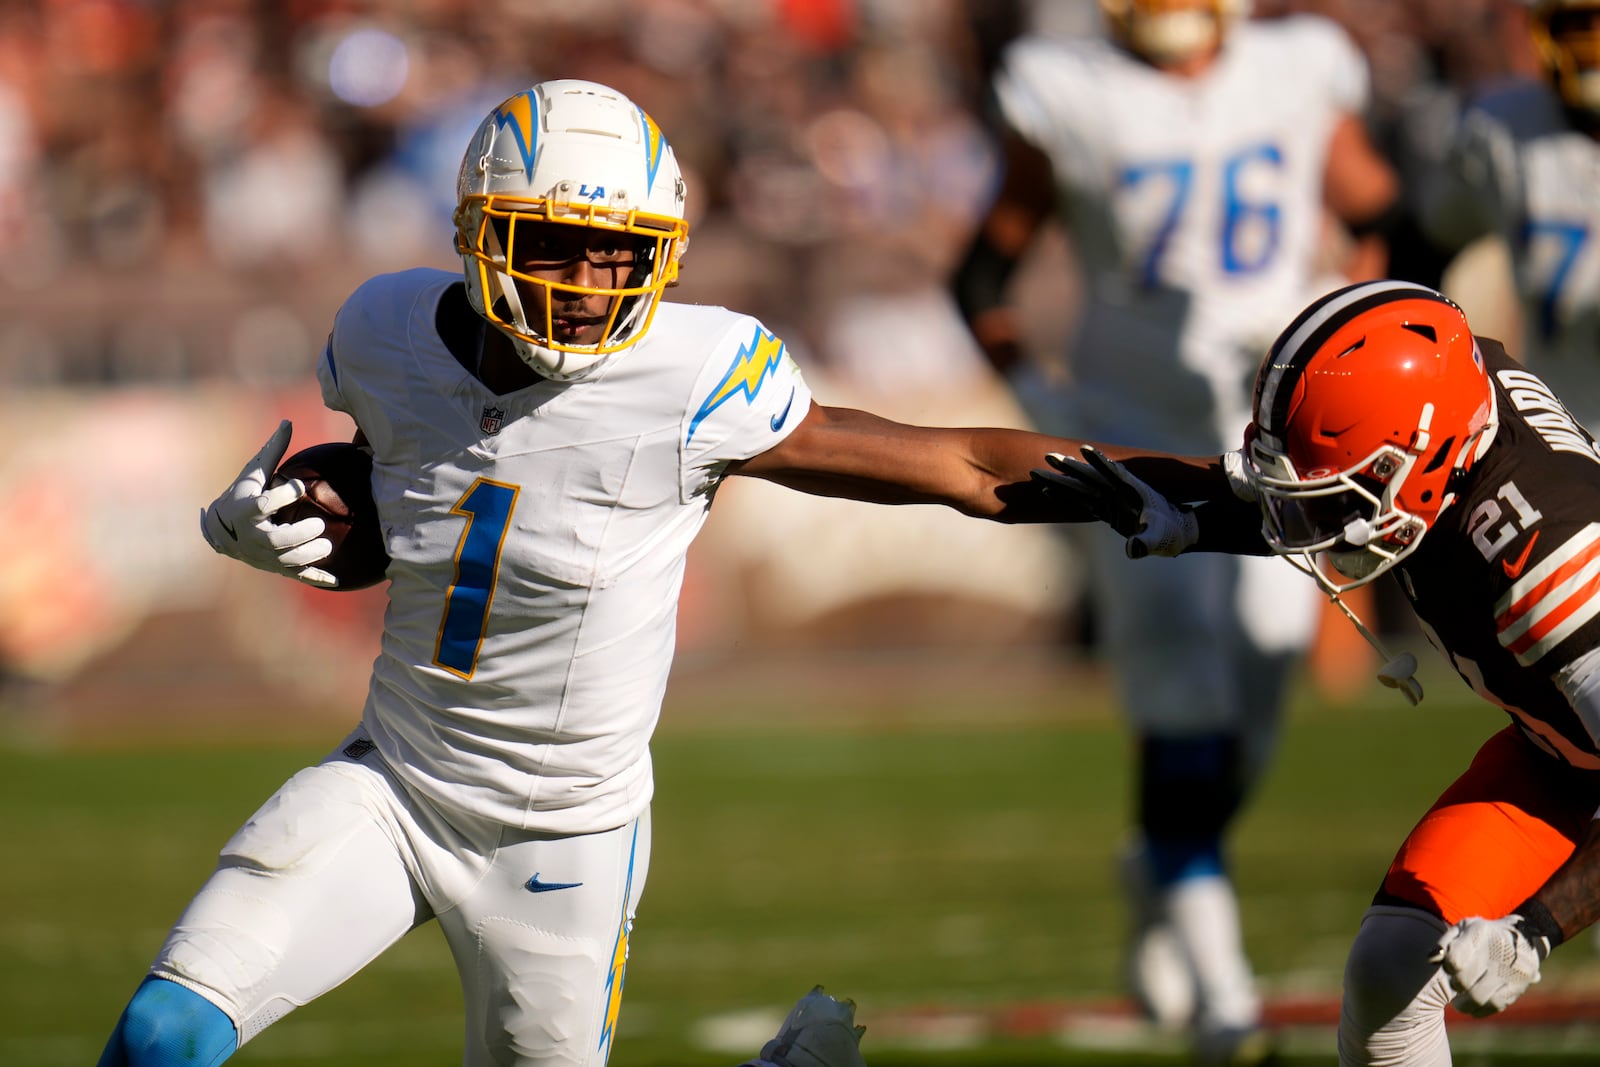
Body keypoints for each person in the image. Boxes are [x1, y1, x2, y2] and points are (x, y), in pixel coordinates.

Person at [95, 78, 1091, 1067]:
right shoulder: (386, 331)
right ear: (481, 235)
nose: (586, 283)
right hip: (393, 785)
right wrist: (267, 521)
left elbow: (959, 463)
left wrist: (1191, 494)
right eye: (553, 246)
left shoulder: (694, 372)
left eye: (618, 252)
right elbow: (391, 483)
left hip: (564, 839)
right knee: (161, 1035)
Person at [949, 1, 1400, 1058]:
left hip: (1270, 433)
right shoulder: (1065, 86)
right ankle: (1221, 995)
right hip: (1133, 431)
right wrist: (1037, 395)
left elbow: (1380, 208)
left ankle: (1160, 859)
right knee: (1184, 697)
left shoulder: (1299, 67)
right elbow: (981, 268)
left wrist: (1344, 313)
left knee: (1260, 685)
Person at [1031, 278, 1600, 1066]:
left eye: (1346, 494)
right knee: (1393, 968)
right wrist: (1195, 520)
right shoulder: (1451, 407)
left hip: (1582, 725)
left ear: (1429, 460)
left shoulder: (1552, 568)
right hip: (1566, 747)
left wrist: (1536, 929)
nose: (1315, 524)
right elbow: (1347, 485)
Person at [1410, 0, 1600, 430]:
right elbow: (1427, 237)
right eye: (1579, 22)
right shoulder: (1501, 128)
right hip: (1566, 439)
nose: (1592, 38)